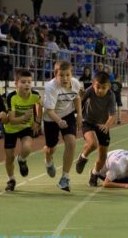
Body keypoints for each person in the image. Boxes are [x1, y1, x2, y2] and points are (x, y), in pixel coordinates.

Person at [43, 61, 82, 192]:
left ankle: (65, 178)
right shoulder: (50, 87)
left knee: (71, 143)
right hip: (51, 117)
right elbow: (49, 110)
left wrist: (79, 115)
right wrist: (59, 121)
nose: (65, 78)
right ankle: (48, 160)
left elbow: (77, 98)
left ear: (71, 74)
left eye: (68, 75)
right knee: (51, 148)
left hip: (68, 113)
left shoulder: (75, 83)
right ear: (55, 75)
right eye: (62, 75)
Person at [3, 69, 42, 192]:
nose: (27, 85)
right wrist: (25, 117)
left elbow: (39, 107)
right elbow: (12, 120)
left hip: (26, 128)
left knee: (27, 147)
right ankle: (11, 180)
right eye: (23, 82)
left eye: (29, 82)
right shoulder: (11, 97)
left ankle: (22, 159)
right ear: (16, 83)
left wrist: (37, 121)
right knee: (9, 157)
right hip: (10, 128)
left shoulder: (35, 95)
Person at [75, 71, 117, 187]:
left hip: (103, 125)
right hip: (88, 122)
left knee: (103, 156)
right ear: (93, 84)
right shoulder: (89, 91)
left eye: (104, 88)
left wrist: (107, 125)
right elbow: (79, 103)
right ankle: (83, 158)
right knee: (93, 144)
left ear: (109, 86)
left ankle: (94, 173)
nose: (100, 90)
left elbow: (113, 114)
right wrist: (80, 97)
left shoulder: (111, 96)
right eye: (98, 87)